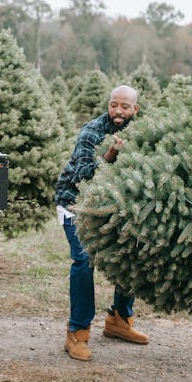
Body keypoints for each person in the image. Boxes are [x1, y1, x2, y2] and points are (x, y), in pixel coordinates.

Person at [56, 85, 149, 362]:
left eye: (124, 106)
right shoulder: (92, 132)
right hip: (77, 203)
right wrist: (109, 156)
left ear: (135, 109)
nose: (118, 111)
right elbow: (84, 175)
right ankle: (77, 332)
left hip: (115, 206)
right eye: (113, 105)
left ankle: (119, 320)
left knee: (129, 252)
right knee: (84, 261)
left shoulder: (142, 132)